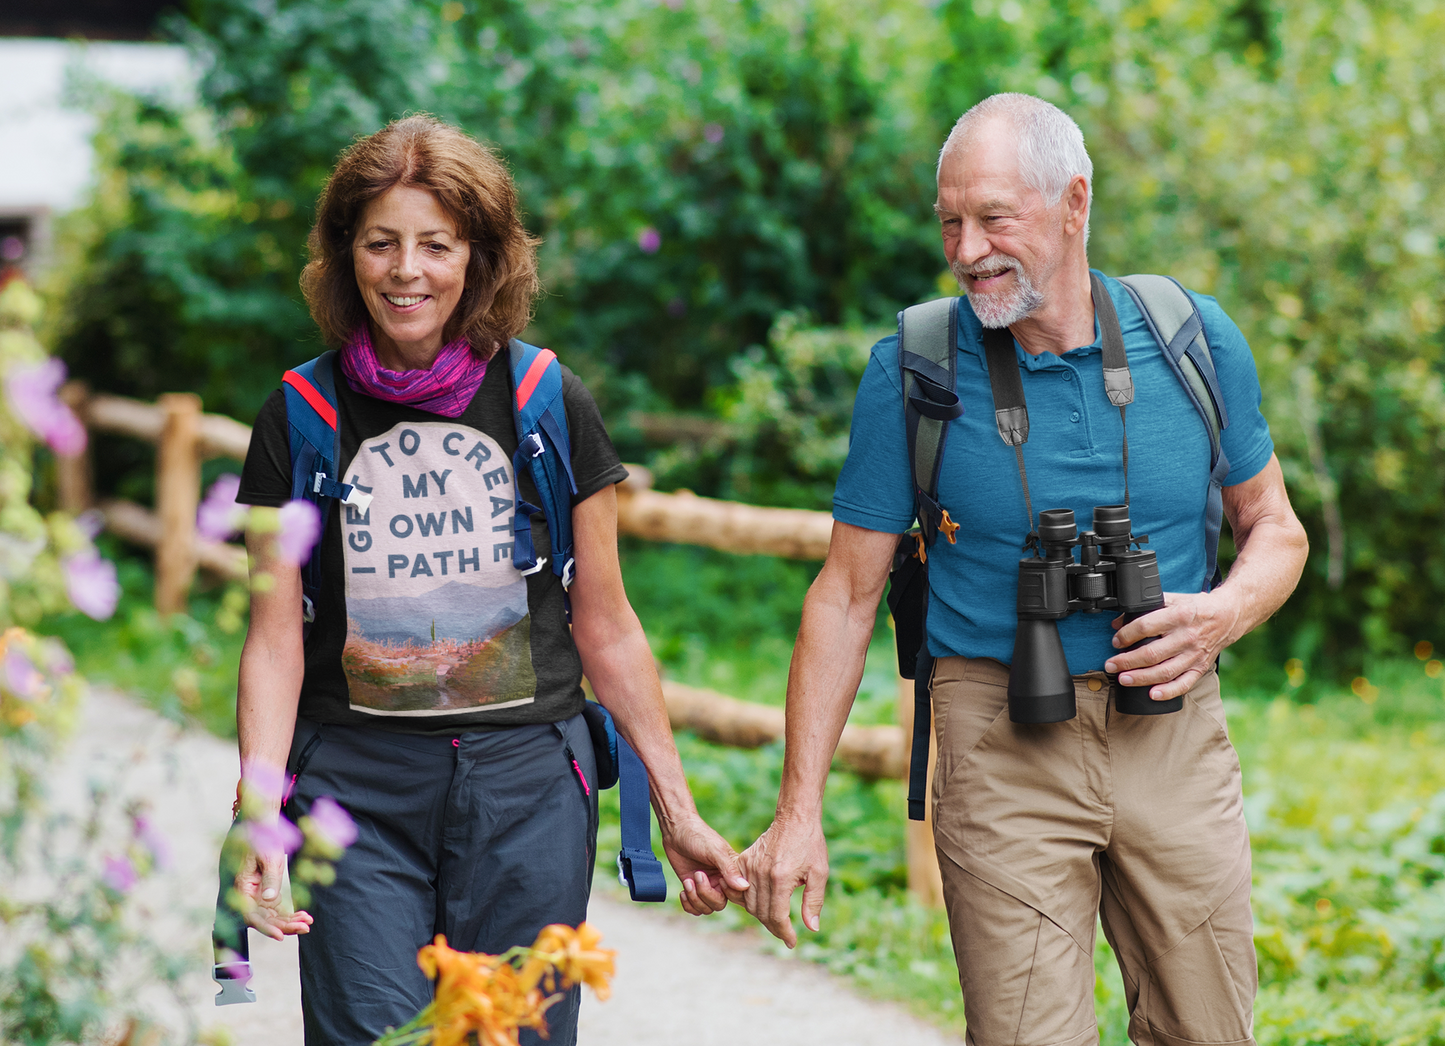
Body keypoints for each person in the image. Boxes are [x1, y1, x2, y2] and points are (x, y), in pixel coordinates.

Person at [737, 93, 1308, 1046]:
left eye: (994, 217)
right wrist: (800, 813)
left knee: (1210, 1030)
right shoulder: (913, 369)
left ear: (1074, 204)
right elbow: (843, 595)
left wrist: (1219, 616)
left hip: (1167, 726)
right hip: (998, 732)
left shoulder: (1191, 338)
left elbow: (1275, 529)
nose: (966, 249)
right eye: (950, 221)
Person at [231, 115, 747, 1046]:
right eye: (381, 243)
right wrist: (258, 810)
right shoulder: (298, 414)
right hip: (354, 793)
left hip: (527, 792)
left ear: (480, 258)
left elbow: (608, 626)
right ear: (345, 252)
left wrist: (678, 809)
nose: (406, 271)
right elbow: (272, 634)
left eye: (436, 245)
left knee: (512, 1034)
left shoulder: (547, 401)